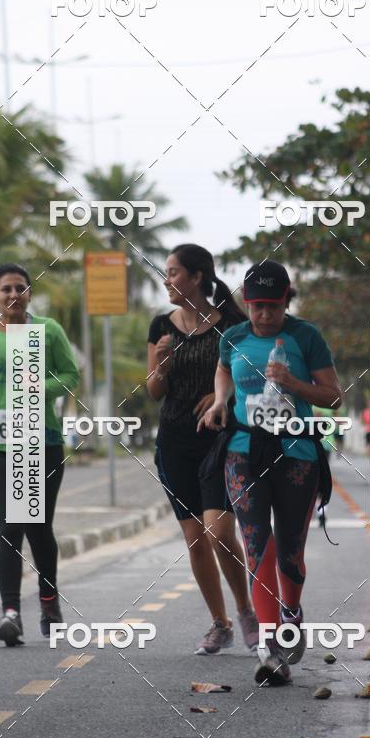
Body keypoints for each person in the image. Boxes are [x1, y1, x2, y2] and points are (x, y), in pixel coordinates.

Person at [201, 260, 342, 686]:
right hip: (244, 451)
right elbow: (223, 368)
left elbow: (333, 397)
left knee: (290, 549)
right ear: (246, 303)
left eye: (273, 306)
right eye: (257, 306)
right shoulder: (233, 337)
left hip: (296, 451)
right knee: (257, 543)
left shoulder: (305, 336)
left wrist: (294, 384)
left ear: (286, 301)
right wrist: (220, 400)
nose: (264, 314)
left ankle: (290, 612)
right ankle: (269, 647)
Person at [146, 244, 259, 655]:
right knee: (195, 538)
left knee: (220, 533)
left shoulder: (232, 324)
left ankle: (246, 611)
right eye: (167, 272)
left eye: (174, 272)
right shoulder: (162, 326)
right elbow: (154, 390)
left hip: (221, 441)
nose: (167, 280)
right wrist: (162, 365)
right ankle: (220, 623)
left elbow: (250, 379)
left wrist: (221, 397)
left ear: (196, 277)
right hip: (174, 442)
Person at [0, 263, 79, 646]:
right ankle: (10, 612)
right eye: (6, 289)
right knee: (10, 524)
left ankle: (48, 600)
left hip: (42, 441)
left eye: (21, 288)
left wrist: (36, 387)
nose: (14, 295)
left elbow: (70, 376)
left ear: (29, 293)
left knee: (39, 527)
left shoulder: (47, 330)